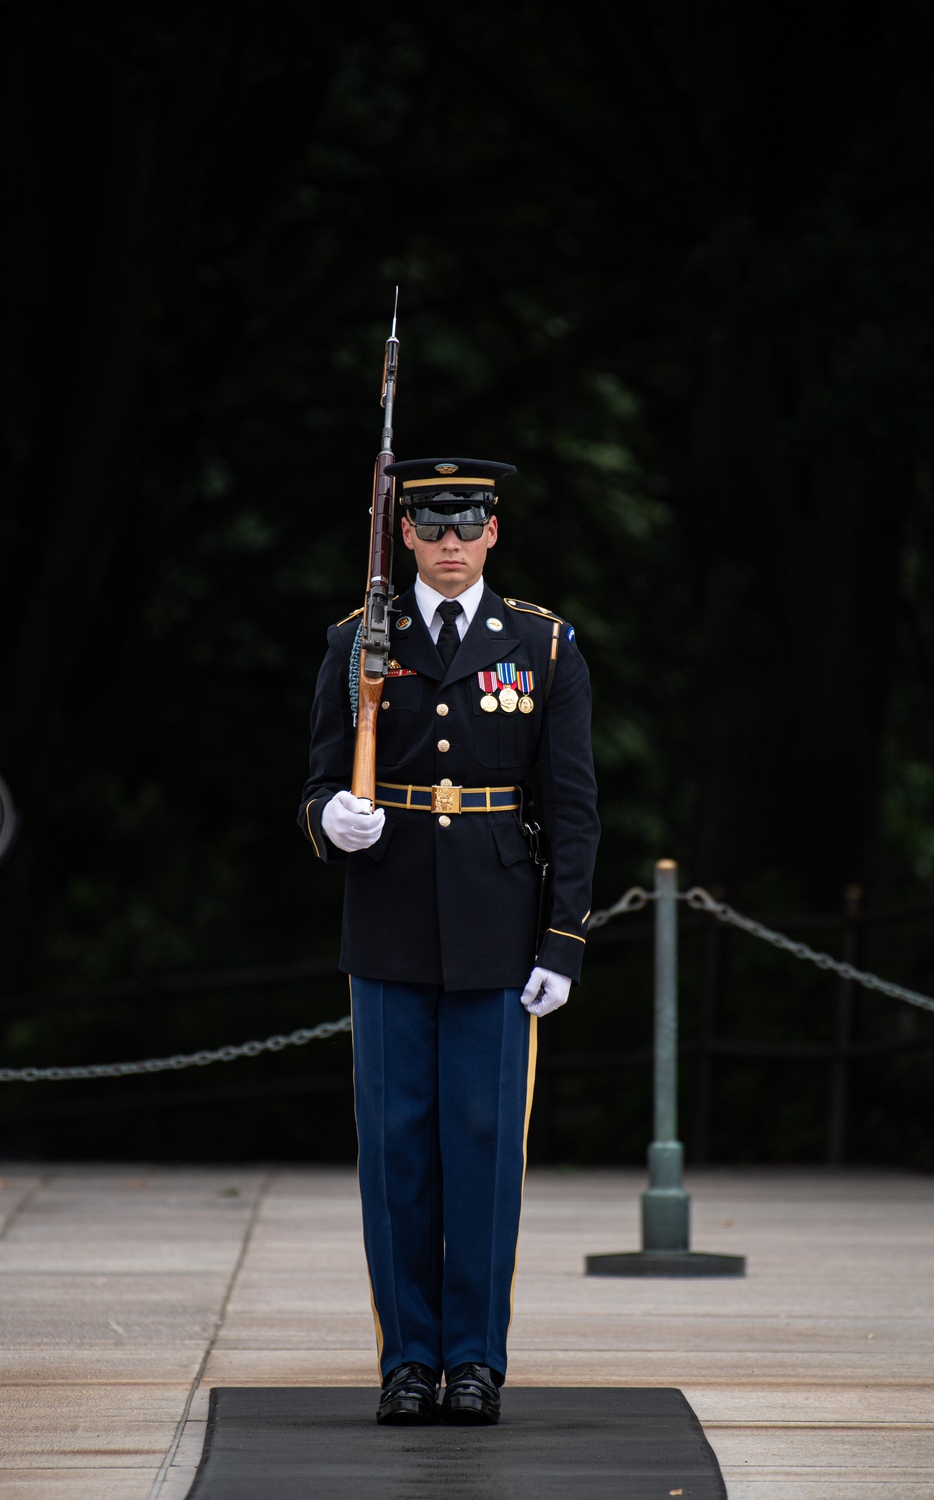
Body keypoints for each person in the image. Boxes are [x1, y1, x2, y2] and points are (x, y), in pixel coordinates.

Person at [298, 457, 599, 1425]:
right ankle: (406, 1360)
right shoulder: (356, 643)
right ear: (407, 538)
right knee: (394, 1149)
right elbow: (314, 778)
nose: (452, 545)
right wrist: (329, 817)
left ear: (494, 534)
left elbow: (572, 809)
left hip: (497, 927)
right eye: (433, 527)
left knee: (480, 1148)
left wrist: (560, 939)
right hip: (386, 922)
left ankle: (472, 1361)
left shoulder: (541, 646)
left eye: (468, 527)